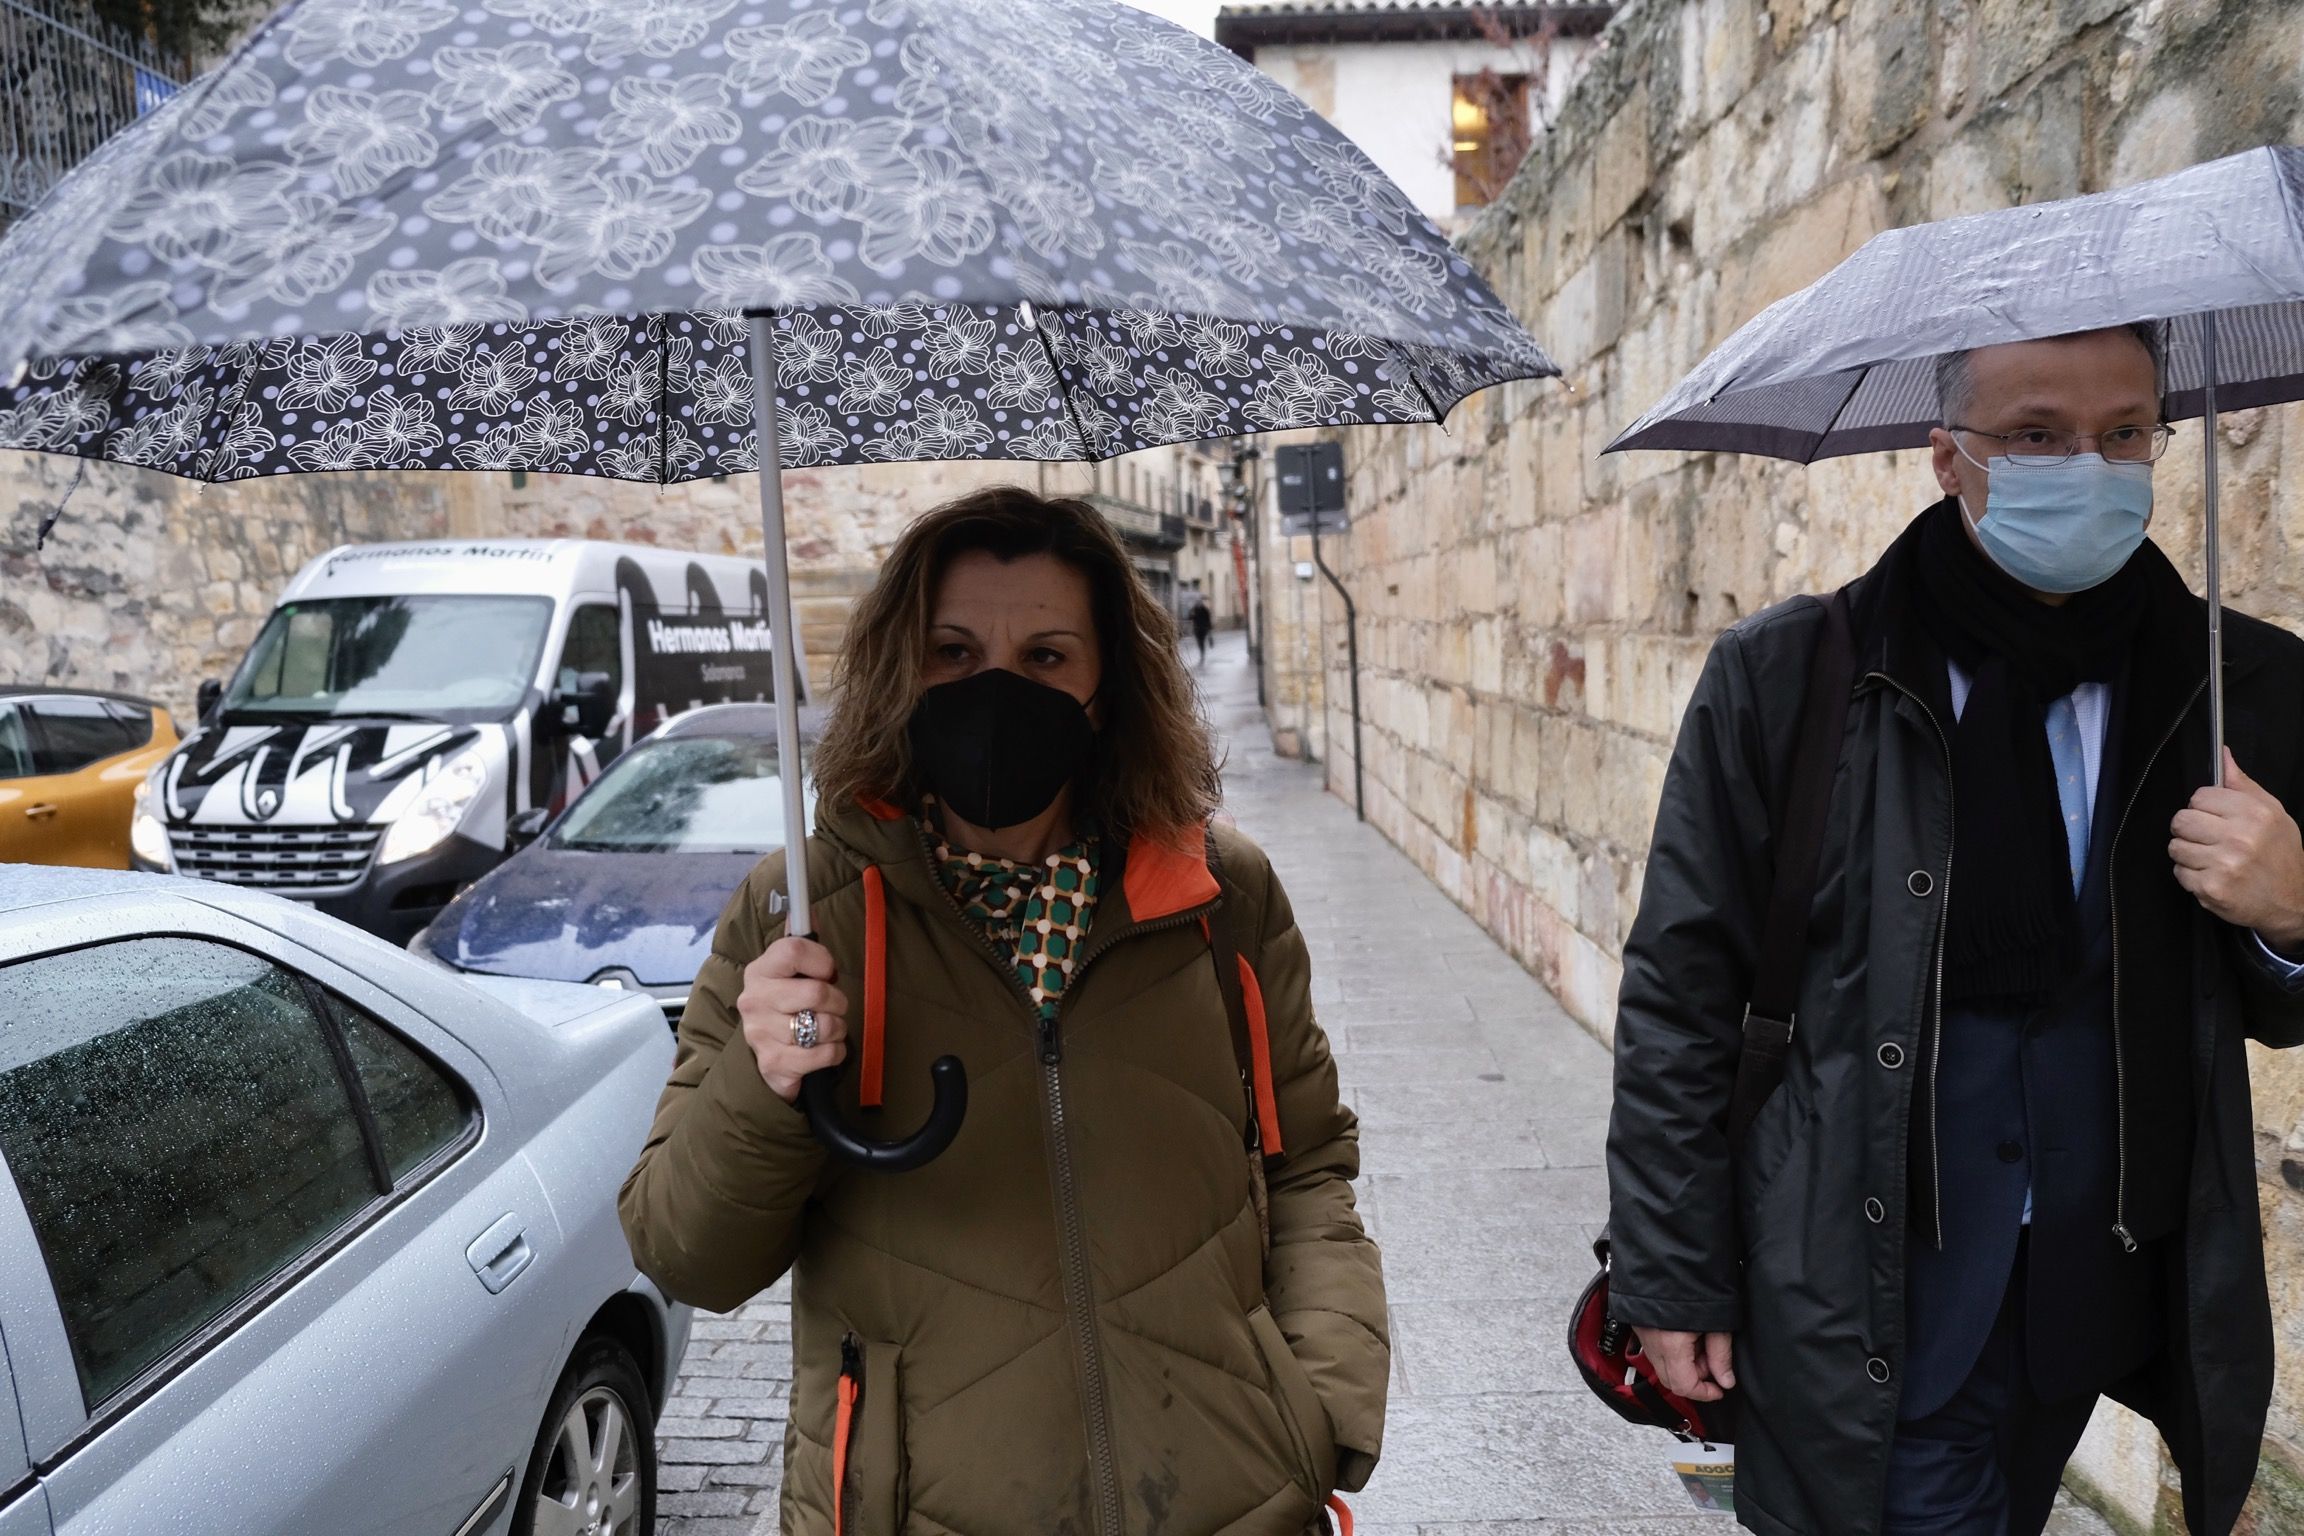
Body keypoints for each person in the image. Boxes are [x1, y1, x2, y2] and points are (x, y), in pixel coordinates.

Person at [1605, 323, 2304, 1536]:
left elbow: (2275, 1006)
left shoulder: (2235, 684)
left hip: (2094, 1295)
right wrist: (1671, 1273)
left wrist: (2293, 909)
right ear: (1946, 457)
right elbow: (1681, 993)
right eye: (2037, 434)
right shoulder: (1793, 676)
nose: (2088, 466)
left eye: (2124, 433)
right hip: (1866, 1279)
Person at [620, 486, 1388, 1536]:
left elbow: (1307, 1168)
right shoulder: (796, 916)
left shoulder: (1220, 897)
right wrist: (768, 1081)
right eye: (953, 652)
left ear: (1106, 686)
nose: (995, 689)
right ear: (903, 669)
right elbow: (684, 1253)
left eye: (1045, 658)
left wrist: (1320, 1412)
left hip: (1229, 1499)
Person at [1190, 590, 1215, 663]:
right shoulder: (1194, 609)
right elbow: (1190, 617)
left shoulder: (1205, 610)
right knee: (1199, 642)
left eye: (1199, 602)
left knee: (1202, 641)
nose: (1198, 603)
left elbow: (1208, 619)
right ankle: (1202, 652)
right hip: (1197, 628)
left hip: (1203, 628)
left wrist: (1209, 628)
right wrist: (1192, 613)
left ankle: (1202, 653)